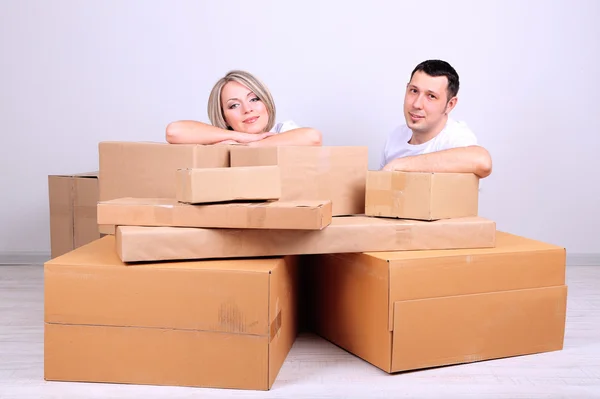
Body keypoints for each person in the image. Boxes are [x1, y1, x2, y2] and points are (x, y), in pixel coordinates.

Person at [380, 60, 492, 178]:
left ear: (450, 105)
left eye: (431, 96)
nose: (417, 104)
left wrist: (399, 164)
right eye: (414, 91)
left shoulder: (454, 138)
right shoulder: (395, 136)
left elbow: (482, 161)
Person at [166, 70, 322, 146]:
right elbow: (174, 131)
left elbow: (313, 137)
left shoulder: (283, 130)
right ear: (223, 116)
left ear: (266, 102)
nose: (247, 109)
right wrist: (242, 137)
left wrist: (250, 146)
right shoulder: (220, 139)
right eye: (234, 105)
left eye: (254, 99)